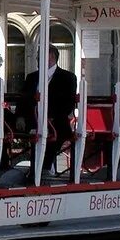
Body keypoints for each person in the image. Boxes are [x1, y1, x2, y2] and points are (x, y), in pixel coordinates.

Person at [18, 45, 78, 178]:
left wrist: (50, 117)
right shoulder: (32, 77)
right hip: (32, 119)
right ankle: (10, 168)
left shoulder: (67, 77)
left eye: (40, 55)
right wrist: (20, 116)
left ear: (51, 57)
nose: (37, 58)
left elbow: (68, 103)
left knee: (52, 132)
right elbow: (23, 99)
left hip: (56, 121)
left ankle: (43, 168)